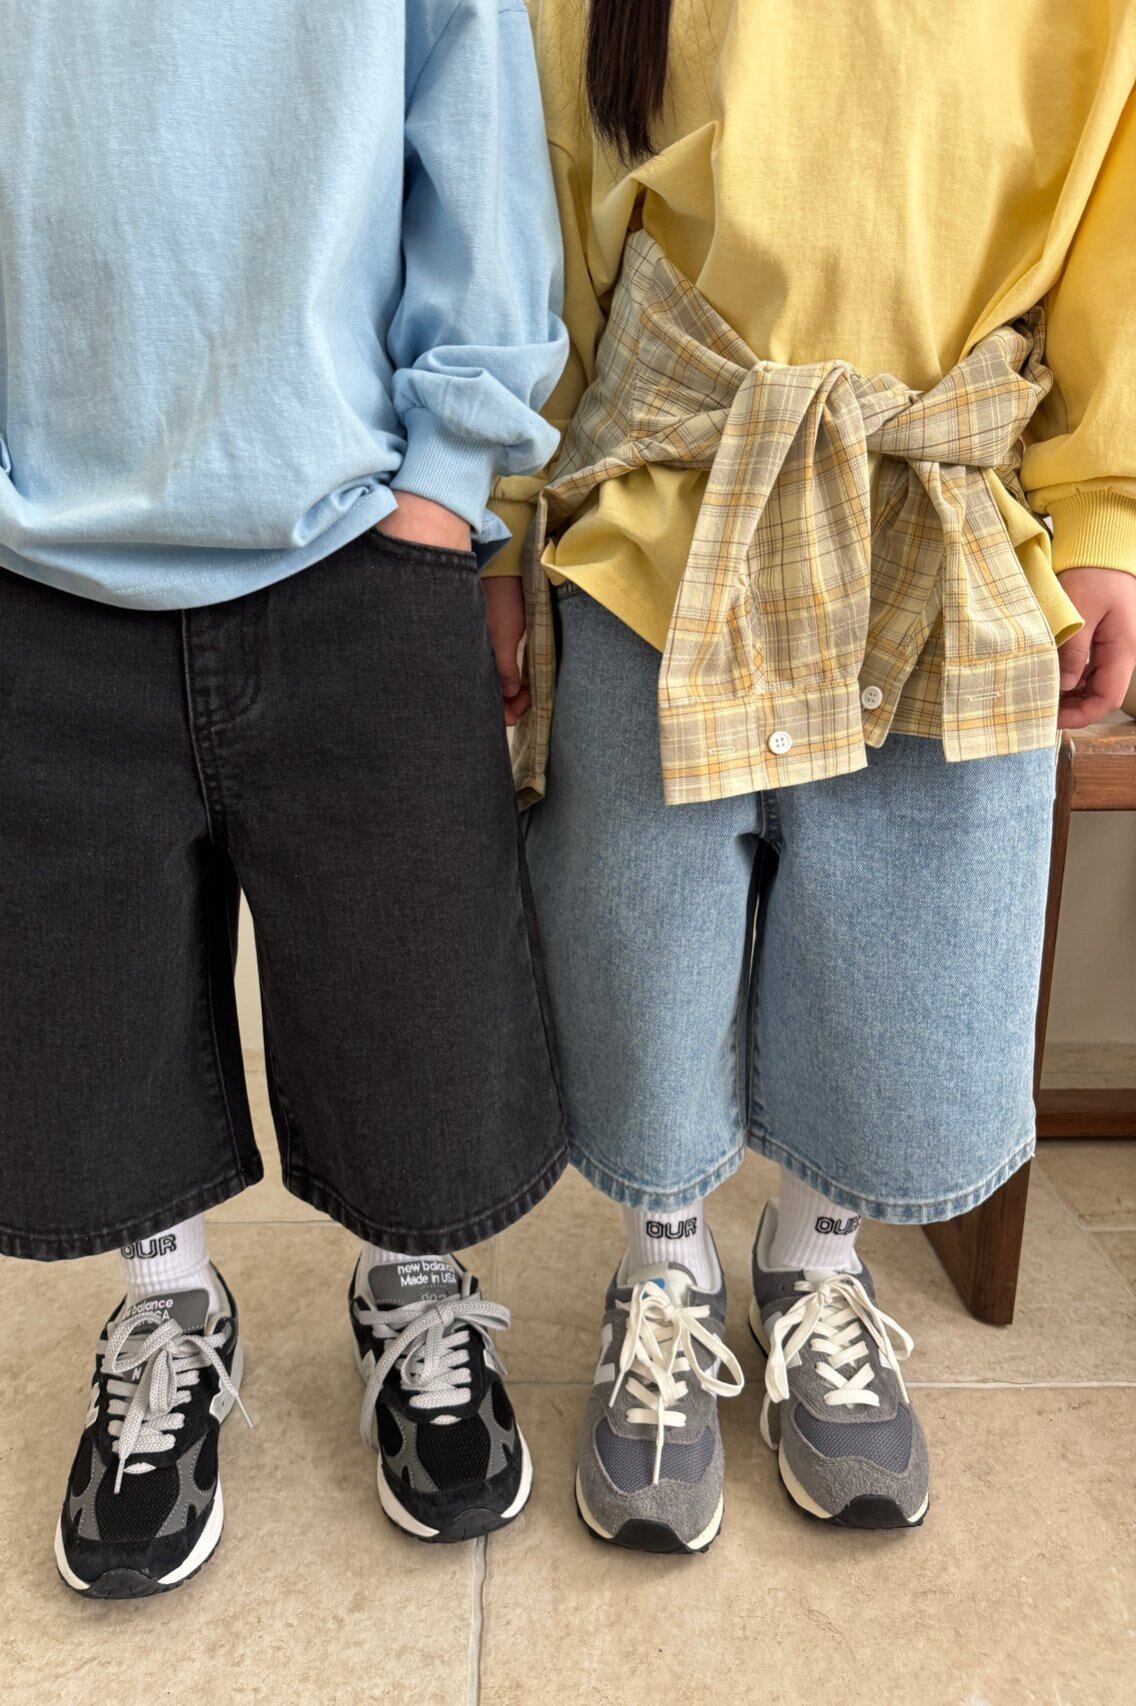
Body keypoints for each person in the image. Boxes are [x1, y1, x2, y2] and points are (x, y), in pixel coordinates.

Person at [0, 0, 568, 1594]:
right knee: (84, 1024)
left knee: (415, 1009)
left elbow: (475, 132)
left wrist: (446, 484)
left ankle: (416, 1282)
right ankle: (166, 1298)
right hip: (20, 553)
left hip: (358, 524)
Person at [480, 0, 1136, 1552]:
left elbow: (1118, 198)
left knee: (907, 936)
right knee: (640, 931)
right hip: (661, 506)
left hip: (943, 495)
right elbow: (539, 201)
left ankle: (814, 1255)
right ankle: (662, 1265)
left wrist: (1108, 506)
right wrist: (503, 517)